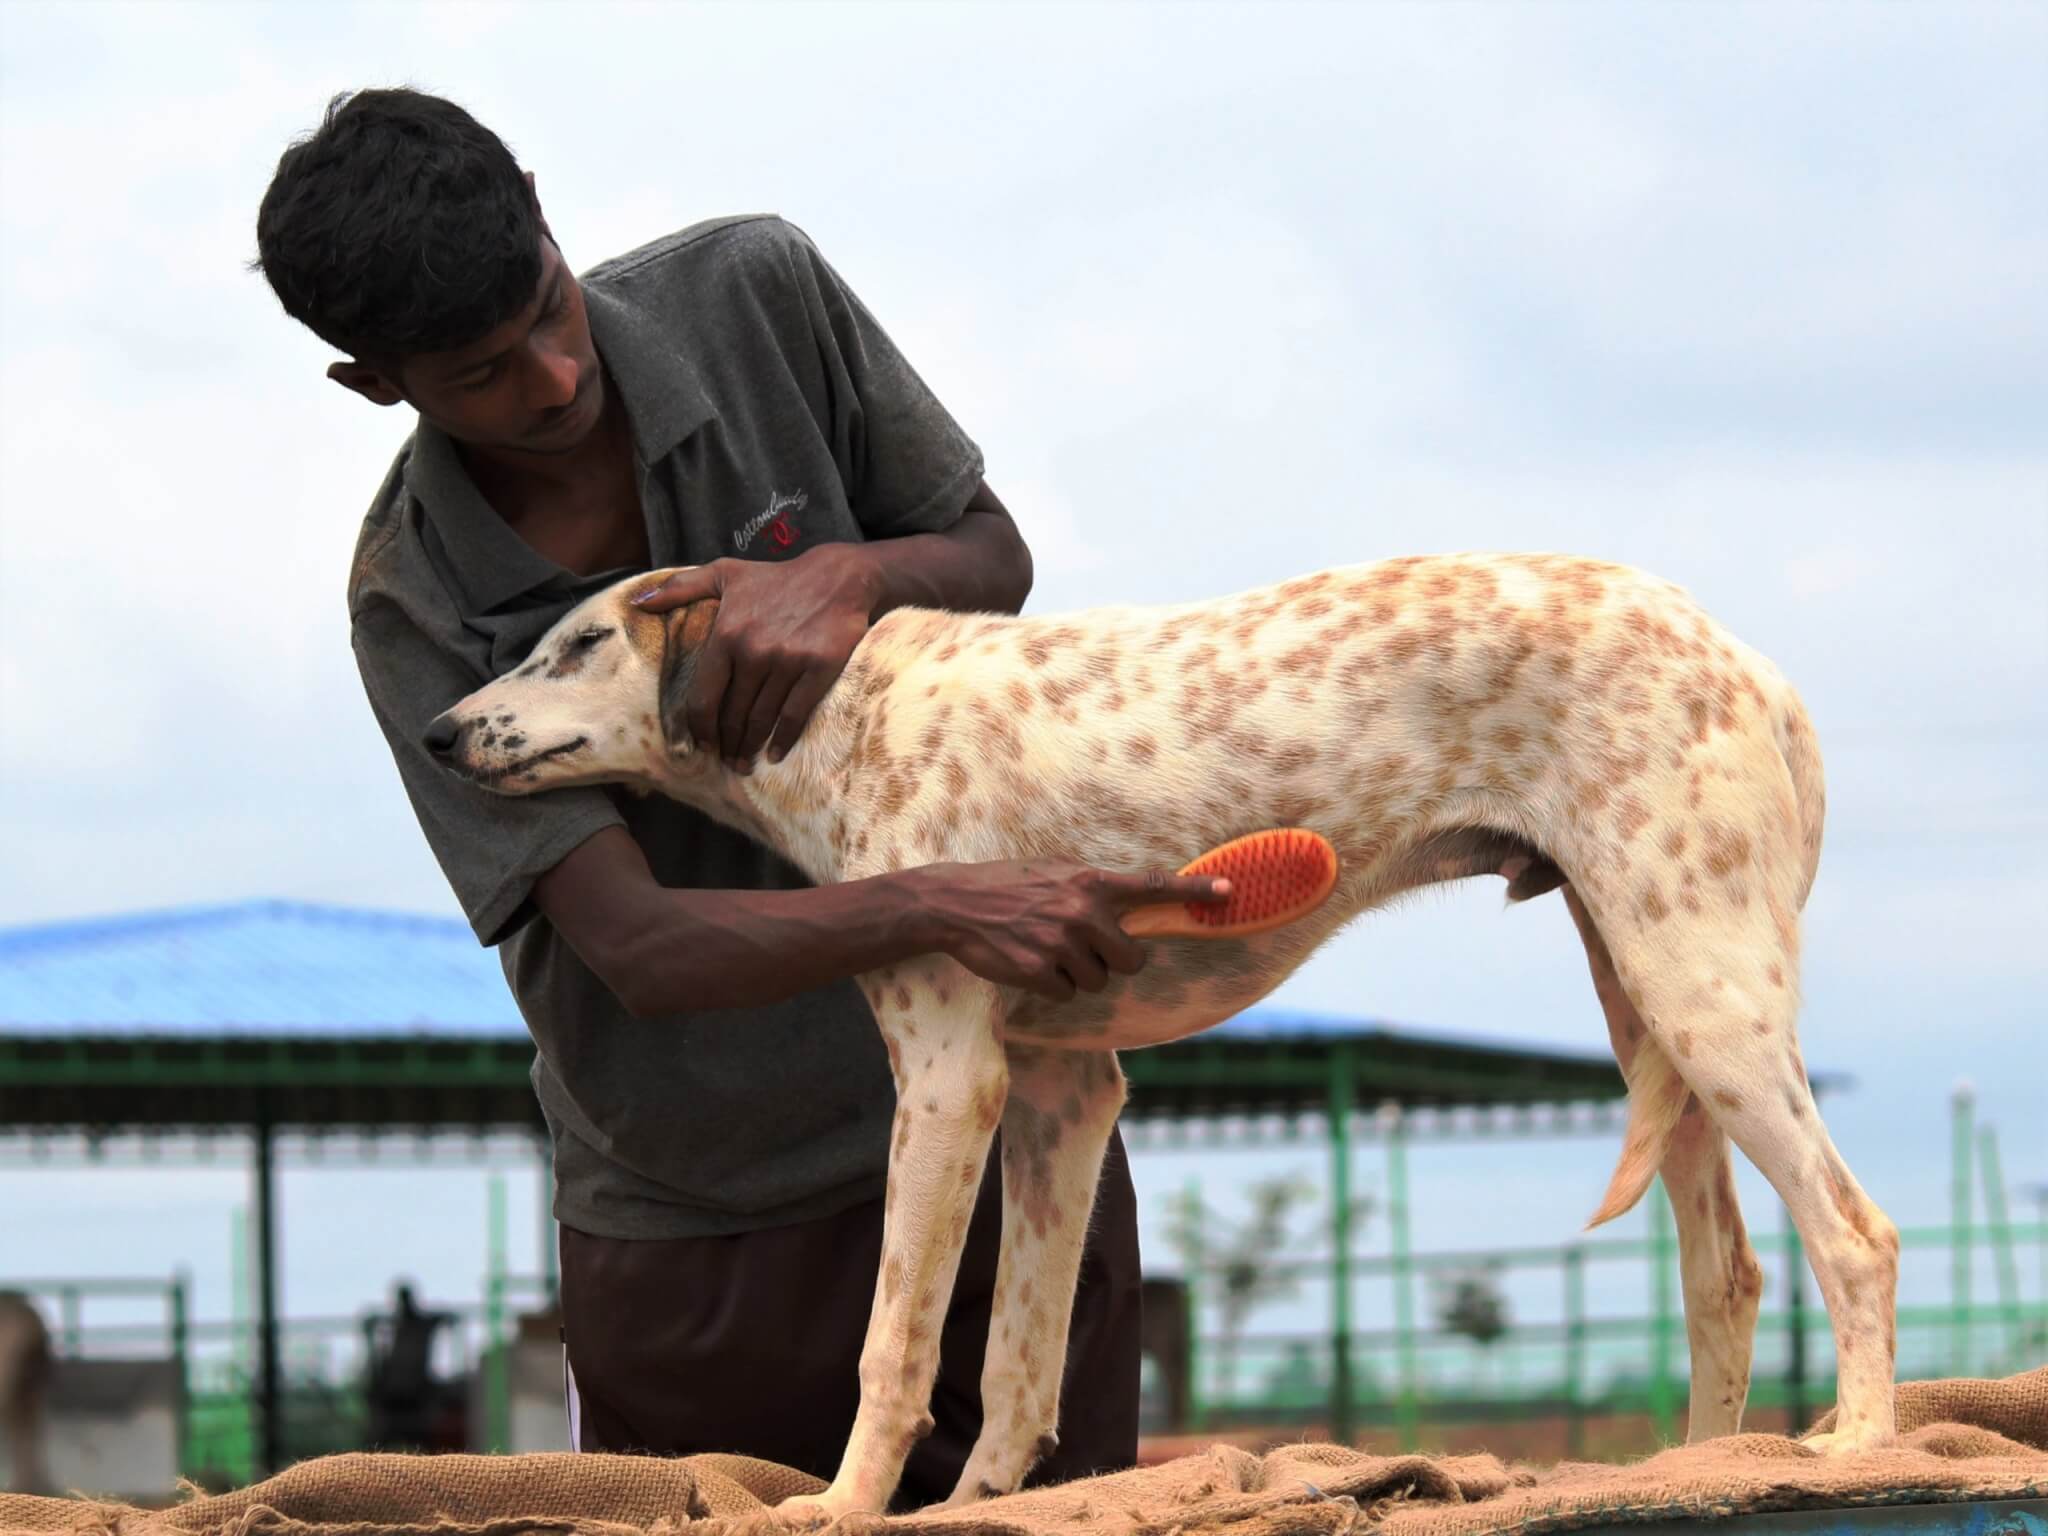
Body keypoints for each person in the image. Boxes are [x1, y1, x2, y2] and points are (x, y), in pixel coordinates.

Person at [253, 89, 1223, 1507]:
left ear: (540, 205)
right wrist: (946, 902)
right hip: (706, 1227)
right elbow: (640, 950)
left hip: (995, 1142)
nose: (551, 375)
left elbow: (988, 554)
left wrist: (844, 576)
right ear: (373, 383)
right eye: (479, 370)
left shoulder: (757, 295)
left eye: (545, 301)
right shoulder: (415, 596)